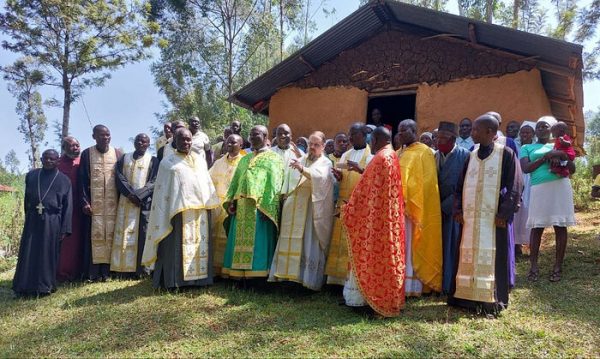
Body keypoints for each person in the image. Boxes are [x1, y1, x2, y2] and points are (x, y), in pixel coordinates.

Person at [449, 114, 521, 315]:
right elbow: (460, 186)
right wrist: (458, 210)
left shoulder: (505, 154)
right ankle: (464, 297)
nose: (472, 133)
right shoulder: (470, 156)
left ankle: (491, 299)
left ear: (490, 132)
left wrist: (504, 213)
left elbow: (515, 186)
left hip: (493, 219)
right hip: (470, 219)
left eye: (475, 130)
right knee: (466, 253)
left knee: (493, 257)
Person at [142, 128, 220, 289]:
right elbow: (163, 192)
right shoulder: (167, 163)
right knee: (177, 248)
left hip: (200, 212)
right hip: (178, 212)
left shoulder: (199, 160)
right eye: (182, 139)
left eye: (188, 139)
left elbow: (205, 183)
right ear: (174, 141)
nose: (186, 142)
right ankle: (175, 281)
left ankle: (200, 280)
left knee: (201, 244)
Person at [342, 127, 405, 317]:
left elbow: (365, 190)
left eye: (371, 139)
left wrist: (349, 208)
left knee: (372, 257)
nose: (370, 143)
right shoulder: (391, 156)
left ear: (377, 139)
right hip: (386, 219)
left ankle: (370, 301)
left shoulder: (380, 158)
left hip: (375, 221)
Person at [269, 131, 334, 290]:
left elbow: (321, 177)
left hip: (311, 208)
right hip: (292, 207)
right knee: (288, 239)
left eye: (316, 145)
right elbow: (287, 180)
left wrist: (302, 169)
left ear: (323, 146)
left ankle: (306, 280)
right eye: (310, 143)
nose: (312, 147)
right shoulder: (300, 160)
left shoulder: (326, 162)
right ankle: (285, 277)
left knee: (307, 240)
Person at [221, 125, 284, 279]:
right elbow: (236, 182)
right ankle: (238, 275)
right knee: (239, 242)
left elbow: (275, 184)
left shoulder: (274, 158)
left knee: (259, 244)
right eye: (250, 135)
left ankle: (258, 277)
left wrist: (269, 207)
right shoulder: (244, 159)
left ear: (265, 136)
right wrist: (232, 202)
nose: (252, 137)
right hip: (241, 208)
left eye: (256, 134)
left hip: (261, 208)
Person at [521, 116, 576, 283]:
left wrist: (560, 156)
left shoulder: (560, 144)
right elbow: (526, 168)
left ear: (551, 129)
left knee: (560, 226)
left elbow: (572, 168)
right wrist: (545, 157)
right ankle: (533, 267)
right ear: (535, 131)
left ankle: (557, 267)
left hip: (560, 186)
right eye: (538, 127)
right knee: (537, 227)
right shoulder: (527, 147)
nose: (541, 129)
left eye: (545, 126)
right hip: (539, 189)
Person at [13, 149, 72, 297]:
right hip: (33, 218)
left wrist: (65, 228)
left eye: (52, 159)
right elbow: (27, 199)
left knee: (47, 253)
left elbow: (68, 206)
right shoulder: (32, 175)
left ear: (58, 160)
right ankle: (23, 285)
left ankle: (45, 285)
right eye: (46, 158)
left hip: (52, 220)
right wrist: (28, 216)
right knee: (28, 252)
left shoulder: (64, 180)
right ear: (41, 159)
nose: (48, 161)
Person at [396, 119, 443, 296]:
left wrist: (410, 197)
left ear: (414, 131)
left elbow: (428, 182)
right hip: (397, 208)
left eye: (403, 131)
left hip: (415, 208)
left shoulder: (424, 152)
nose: (400, 135)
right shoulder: (397, 152)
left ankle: (413, 285)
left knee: (412, 243)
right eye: (398, 132)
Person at [326, 123, 373, 285]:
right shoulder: (346, 154)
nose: (351, 137)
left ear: (364, 135)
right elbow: (343, 176)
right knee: (339, 239)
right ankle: (335, 279)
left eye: (354, 134)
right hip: (343, 201)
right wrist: (339, 176)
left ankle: (351, 281)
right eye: (350, 134)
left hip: (359, 205)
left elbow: (373, 179)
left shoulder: (370, 155)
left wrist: (360, 169)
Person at [110, 133, 159, 277]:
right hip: (125, 202)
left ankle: (140, 270)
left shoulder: (153, 160)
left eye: (144, 142)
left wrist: (139, 196)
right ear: (134, 142)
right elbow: (119, 177)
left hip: (143, 204)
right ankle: (121, 269)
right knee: (122, 233)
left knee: (142, 234)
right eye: (138, 141)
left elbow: (154, 181)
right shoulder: (124, 158)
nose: (141, 144)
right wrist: (129, 194)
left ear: (148, 144)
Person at [80, 125, 121, 281]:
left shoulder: (117, 154)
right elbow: (82, 181)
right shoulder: (87, 154)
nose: (105, 138)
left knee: (111, 236)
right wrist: (85, 202)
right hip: (94, 206)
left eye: (108, 135)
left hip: (113, 205)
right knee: (94, 237)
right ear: (94, 136)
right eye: (101, 135)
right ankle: (93, 273)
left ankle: (110, 272)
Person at [434, 121, 470, 294]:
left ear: (453, 138)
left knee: (451, 247)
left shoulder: (465, 155)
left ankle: (449, 284)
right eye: (437, 137)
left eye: (443, 138)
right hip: (434, 208)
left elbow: (465, 185)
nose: (439, 141)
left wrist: (447, 205)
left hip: (452, 209)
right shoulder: (434, 156)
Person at [209, 134, 245, 275]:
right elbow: (209, 180)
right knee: (216, 237)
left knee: (231, 237)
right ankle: (215, 270)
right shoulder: (218, 162)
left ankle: (229, 269)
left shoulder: (244, 162)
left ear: (241, 145)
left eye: (233, 142)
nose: (229, 144)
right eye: (227, 142)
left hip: (234, 207)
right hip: (218, 206)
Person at [56, 136, 83, 282]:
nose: (76, 148)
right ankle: (62, 273)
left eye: (77, 145)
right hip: (63, 209)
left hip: (80, 208)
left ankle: (78, 272)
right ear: (64, 148)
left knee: (79, 240)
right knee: (65, 242)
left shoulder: (83, 162)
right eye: (72, 146)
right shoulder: (57, 164)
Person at [513, 121, 536, 251]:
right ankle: (516, 245)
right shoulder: (515, 145)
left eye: (527, 132)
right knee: (517, 212)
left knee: (528, 211)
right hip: (517, 177)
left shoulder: (535, 147)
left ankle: (531, 244)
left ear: (533, 134)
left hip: (530, 179)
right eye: (522, 132)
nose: (524, 134)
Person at [271, 124, 303, 195]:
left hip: (291, 194)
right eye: (279, 134)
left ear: (291, 136)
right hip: (273, 193)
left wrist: (301, 158)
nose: (282, 136)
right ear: (276, 137)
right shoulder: (269, 153)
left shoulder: (299, 153)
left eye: (286, 133)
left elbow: (306, 172)